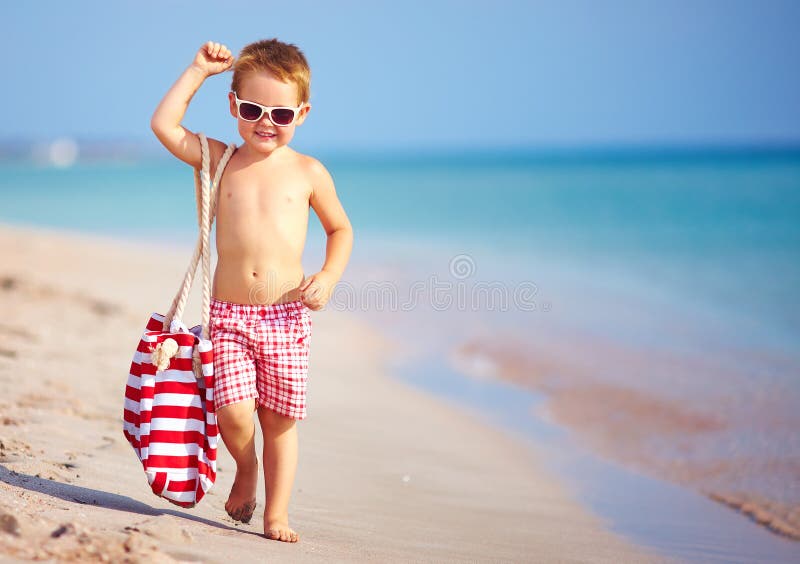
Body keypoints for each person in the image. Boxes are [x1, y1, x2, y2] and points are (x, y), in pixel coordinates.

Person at [150, 39, 353, 543]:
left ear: (302, 113)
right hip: (229, 315)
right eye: (252, 108)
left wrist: (327, 276)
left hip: (286, 317)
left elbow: (340, 230)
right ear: (233, 106)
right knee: (234, 413)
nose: (266, 121)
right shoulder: (219, 161)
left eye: (280, 112)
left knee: (280, 420)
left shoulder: (309, 172)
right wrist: (198, 70)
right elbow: (164, 126)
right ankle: (245, 468)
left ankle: (276, 515)